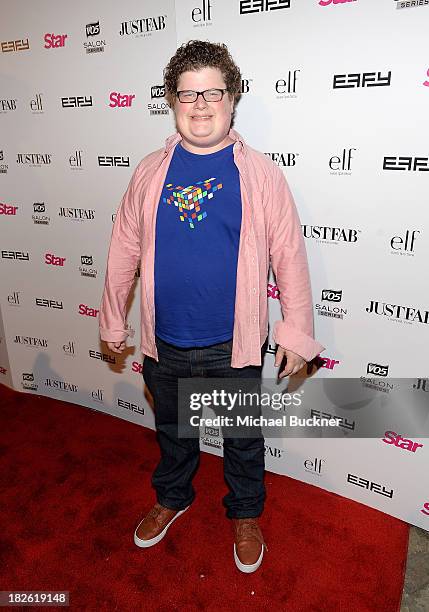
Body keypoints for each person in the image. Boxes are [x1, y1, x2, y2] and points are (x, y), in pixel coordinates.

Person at [99, 40, 324, 574]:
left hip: (234, 343)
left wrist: (295, 332)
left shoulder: (262, 175)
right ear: (173, 102)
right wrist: (112, 318)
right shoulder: (151, 170)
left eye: (212, 93)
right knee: (173, 432)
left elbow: (290, 256)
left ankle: (245, 513)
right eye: (187, 94)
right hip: (164, 340)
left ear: (232, 99)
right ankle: (173, 496)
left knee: (243, 438)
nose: (200, 105)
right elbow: (122, 249)